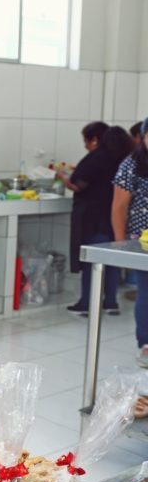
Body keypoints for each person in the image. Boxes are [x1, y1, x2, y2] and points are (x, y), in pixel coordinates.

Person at [59, 124, 131, 317]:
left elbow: (77, 185)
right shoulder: (124, 159)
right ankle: (110, 302)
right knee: (112, 259)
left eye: (86, 141)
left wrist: (62, 177)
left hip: (92, 217)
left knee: (92, 261)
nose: (85, 145)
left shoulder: (96, 157)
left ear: (96, 140)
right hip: (114, 218)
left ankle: (86, 303)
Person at [112, 116, 148, 367]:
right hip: (142, 241)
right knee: (146, 292)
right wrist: (120, 243)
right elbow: (119, 206)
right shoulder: (132, 164)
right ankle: (145, 344)